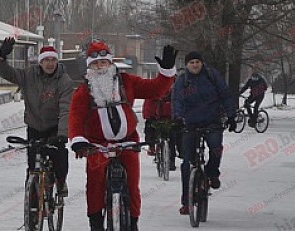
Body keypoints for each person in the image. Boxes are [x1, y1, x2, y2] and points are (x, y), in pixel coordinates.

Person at [68, 40, 177, 231]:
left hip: (127, 142)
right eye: (95, 64)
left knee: (133, 186)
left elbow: (155, 90)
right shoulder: (84, 90)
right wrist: (78, 139)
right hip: (97, 145)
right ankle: (95, 223)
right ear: (89, 67)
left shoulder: (126, 81)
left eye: (103, 63)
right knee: (95, 184)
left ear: (111, 64)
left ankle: (133, 222)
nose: (100, 67)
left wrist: (166, 72)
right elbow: (76, 116)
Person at [0, 37, 74, 197]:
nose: (50, 64)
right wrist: (2, 57)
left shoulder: (64, 81)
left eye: (53, 60)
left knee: (59, 157)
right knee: (33, 167)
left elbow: (66, 108)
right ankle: (32, 212)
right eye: (46, 60)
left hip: (55, 128)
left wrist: (63, 134)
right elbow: (7, 73)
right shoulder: (29, 75)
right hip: (35, 127)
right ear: (40, 62)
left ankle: (60, 182)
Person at [171, 51, 237, 215]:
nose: (195, 65)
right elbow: (177, 100)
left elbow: (226, 95)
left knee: (216, 149)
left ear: (202, 63)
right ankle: (187, 202)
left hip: (212, 120)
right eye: (191, 62)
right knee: (187, 163)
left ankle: (212, 173)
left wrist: (231, 115)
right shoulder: (182, 80)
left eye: (197, 62)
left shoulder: (212, 76)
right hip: (191, 123)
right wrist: (178, 118)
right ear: (187, 65)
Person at [142, 84, 182, 171]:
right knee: (149, 129)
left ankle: (172, 160)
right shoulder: (153, 95)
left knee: (173, 137)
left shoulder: (174, 96)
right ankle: (151, 147)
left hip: (169, 120)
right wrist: (149, 118)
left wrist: (177, 118)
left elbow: (178, 107)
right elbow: (148, 107)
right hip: (155, 119)